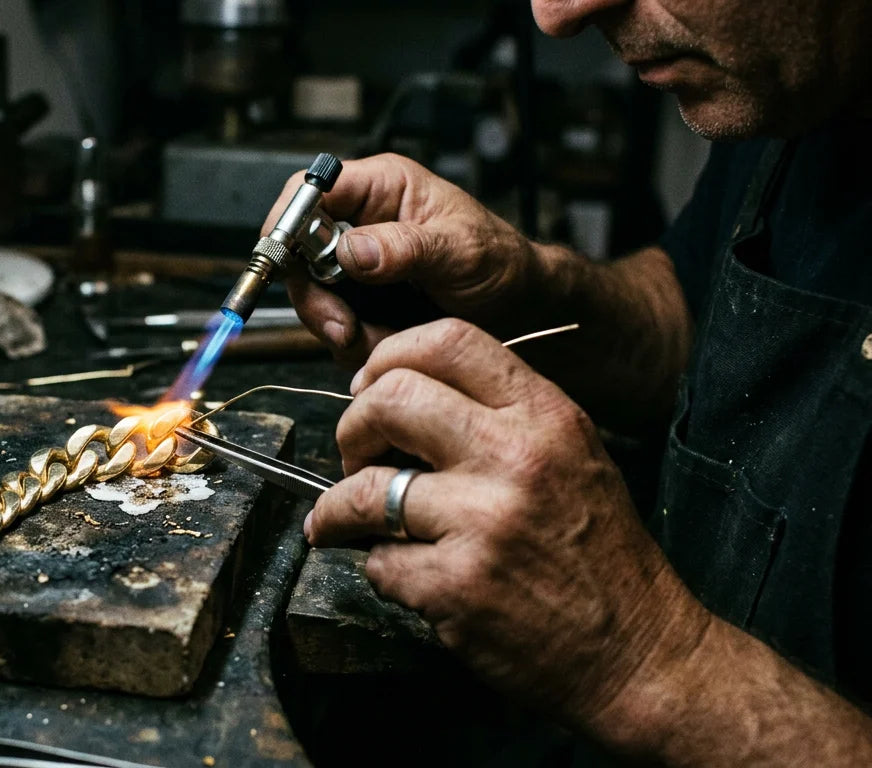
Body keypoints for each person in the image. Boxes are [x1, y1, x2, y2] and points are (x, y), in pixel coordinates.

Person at [268, 0, 872, 763]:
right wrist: (524, 286)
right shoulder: (802, 91)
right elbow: (695, 318)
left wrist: (646, 656)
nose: (558, 14)